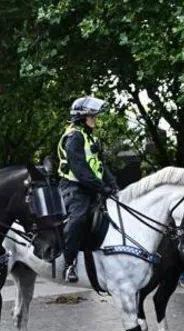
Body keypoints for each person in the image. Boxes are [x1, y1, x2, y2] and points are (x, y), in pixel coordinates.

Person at [58, 96, 117, 283]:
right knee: (79, 218)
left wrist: (115, 188)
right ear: (82, 118)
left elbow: (101, 166)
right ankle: (69, 264)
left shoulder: (91, 138)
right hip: (74, 188)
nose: (95, 119)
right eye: (93, 116)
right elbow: (80, 170)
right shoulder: (74, 136)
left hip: (92, 188)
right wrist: (102, 188)